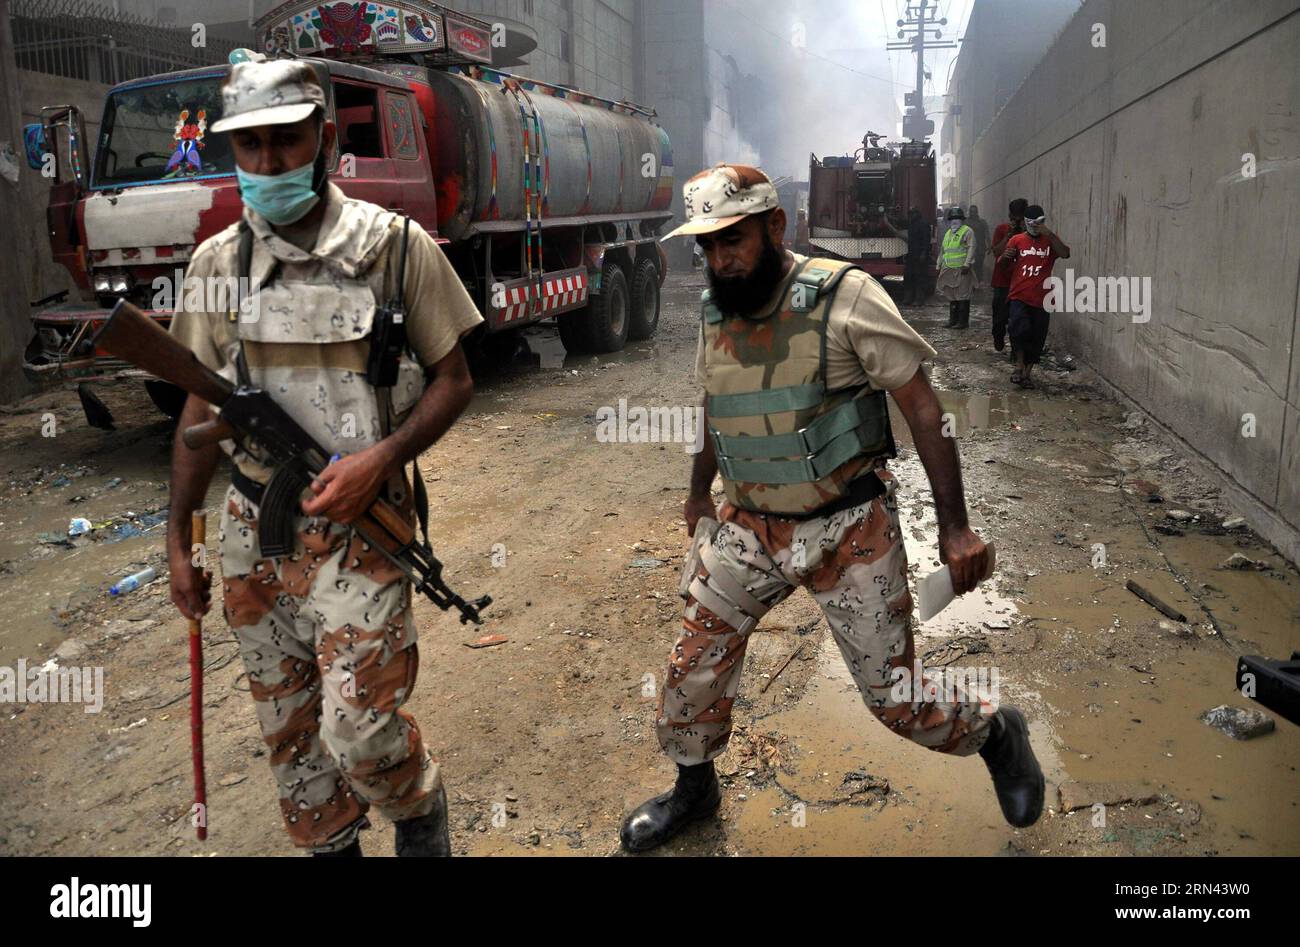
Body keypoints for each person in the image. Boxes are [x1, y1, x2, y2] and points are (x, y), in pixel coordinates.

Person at [618, 163, 1044, 853]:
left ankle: (996, 730)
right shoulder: (715, 307)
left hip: (846, 528)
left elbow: (925, 411)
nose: (721, 258)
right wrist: (699, 491)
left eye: (734, 240)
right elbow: (715, 405)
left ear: (775, 226)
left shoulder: (846, 297)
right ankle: (693, 789)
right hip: (748, 526)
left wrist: (955, 527)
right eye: (708, 246)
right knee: (692, 662)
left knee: (897, 700)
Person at [166, 59, 484, 856]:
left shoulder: (397, 248)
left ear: (325, 139)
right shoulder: (216, 267)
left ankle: (418, 809)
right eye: (251, 147)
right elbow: (197, 411)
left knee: (361, 729)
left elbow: (455, 378)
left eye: (286, 140)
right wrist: (179, 538)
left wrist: (384, 456)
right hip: (250, 529)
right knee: (289, 730)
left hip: (359, 524)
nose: (269, 162)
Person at [1002, 203, 1071, 388]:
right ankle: (1018, 366)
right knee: (1018, 328)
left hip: (1042, 298)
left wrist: (1049, 234)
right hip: (1019, 295)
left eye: (1039, 222)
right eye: (1032, 222)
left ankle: (1026, 374)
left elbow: (1065, 253)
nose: (1035, 226)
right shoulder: (1016, 240)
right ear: (1026, 222)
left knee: (1037, 336)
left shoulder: (1049, 241)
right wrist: (1006, 258)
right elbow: (1002, 266)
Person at [988, 198, 1028, 355]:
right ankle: (998, 337)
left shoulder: (1030, 234)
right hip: (1002, 282)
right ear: (1010, 215)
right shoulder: (1001, 229)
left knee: (1018, 320)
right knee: (999, 318)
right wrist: (1008, 236)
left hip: (1021, 283)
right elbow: (996, 252)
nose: (1017, 222)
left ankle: (1016, 351)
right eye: (1014, 218)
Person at [936, 206, 975, 328]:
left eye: (957, 218)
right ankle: (953, 320)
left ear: (962, 220)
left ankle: (963, 322)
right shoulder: (948, 233)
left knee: (963, 295)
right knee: (952, 294)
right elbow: (943, 251)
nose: (954, 221)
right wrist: (939, 265)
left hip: (962, 269)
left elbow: (971, 248)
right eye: (952, 218)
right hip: (948, 268)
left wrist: (967, 264)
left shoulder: (967, 231)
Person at [902, 206, 932, 306]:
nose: (911, 215)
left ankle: (919, 299)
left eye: (912, 213)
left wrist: (924, 253)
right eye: (910, 213)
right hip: (912, 254)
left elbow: (926, 240)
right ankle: (908, 298)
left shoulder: (923, 224)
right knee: (909, 276)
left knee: (920, 277)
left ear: (917, 214)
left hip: (920, 255)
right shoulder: (912, 224)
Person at [966, 204, 990, 284]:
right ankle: (971, 282)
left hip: (980, 248)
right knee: (969, 265)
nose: (973, 213)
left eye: (974, 212)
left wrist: (989, 245)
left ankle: (979, 280)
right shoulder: (966, 222)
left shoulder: (982, 222)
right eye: (971, 212)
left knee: (979, 265)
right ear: (969, 212)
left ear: (977, 212)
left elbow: (987, 234)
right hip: (969, 248)